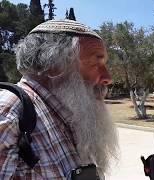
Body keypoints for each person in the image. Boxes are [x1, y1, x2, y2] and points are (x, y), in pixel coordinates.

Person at [0, 19, 118, 179]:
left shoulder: (70, 114)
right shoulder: (9, 112)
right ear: (54, 64)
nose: (108, 78)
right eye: (95, 63)